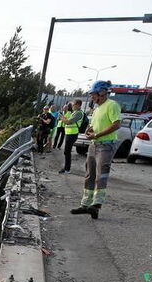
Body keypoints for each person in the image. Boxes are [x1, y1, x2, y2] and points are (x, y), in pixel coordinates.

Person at [72, 81, 121, 219]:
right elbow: (94, 125)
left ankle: (96, 205)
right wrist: (89, 130)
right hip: (94, 145)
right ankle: (85, 204)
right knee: (90, 174)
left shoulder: (112, 105)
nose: (92, 97)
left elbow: (116, 125)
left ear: (102, 93)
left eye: (93, 94)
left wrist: (97, 135)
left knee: (101, 175)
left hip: (106, 145)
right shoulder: (97, 108)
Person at [59, 100, 85, 174]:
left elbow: (68, 122)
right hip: (69, 133)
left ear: (78, 105)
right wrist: (64, 118)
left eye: (73, 104)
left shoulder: (78, 113)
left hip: (72, 134)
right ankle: (66, 168)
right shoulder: (75, 112)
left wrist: (61, 117)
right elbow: (67, 120)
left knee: (67, 152)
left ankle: (67, 169)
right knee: (66, 152)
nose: (72, 106)